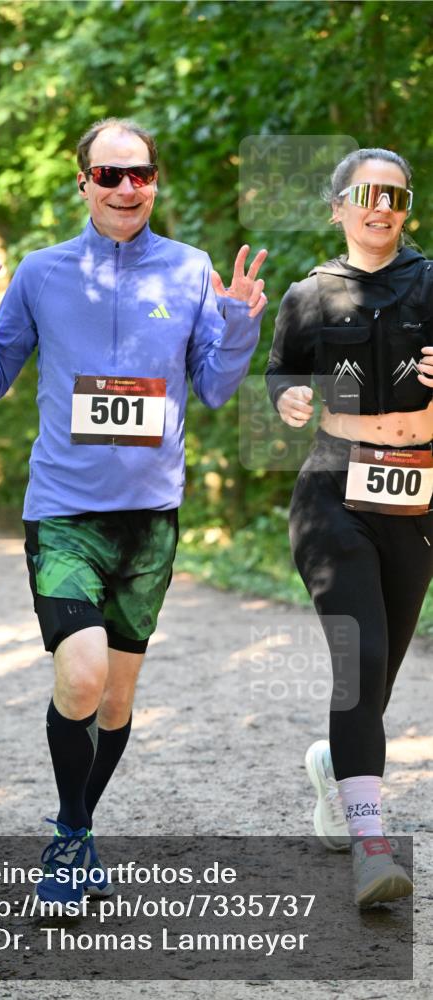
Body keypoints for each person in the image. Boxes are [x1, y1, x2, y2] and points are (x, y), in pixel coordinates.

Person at [0, 118, 267, 904]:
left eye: (138, 174)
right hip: (64, 512)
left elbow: (212, 386)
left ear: (154, 181)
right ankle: (71, 840)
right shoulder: (42, 273)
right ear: (82, 183)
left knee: (114, 698)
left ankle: (75, 833)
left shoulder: (188, 270)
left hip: (150, 518)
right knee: (78, 677)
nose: (125, 188)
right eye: (108, 175)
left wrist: (240, 323)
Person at [266, 148, 432, 906]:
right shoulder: (309, 294)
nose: (380, 204)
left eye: (394, 194)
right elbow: (281, 374)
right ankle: (372, 847)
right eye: (364, 193)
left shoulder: (431, 283)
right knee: (358, 658)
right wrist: (288, 401)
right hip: (333, 487)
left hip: (417, 501)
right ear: (337, 206)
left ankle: (338, 772)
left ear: (406, 209)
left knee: (378, 678)